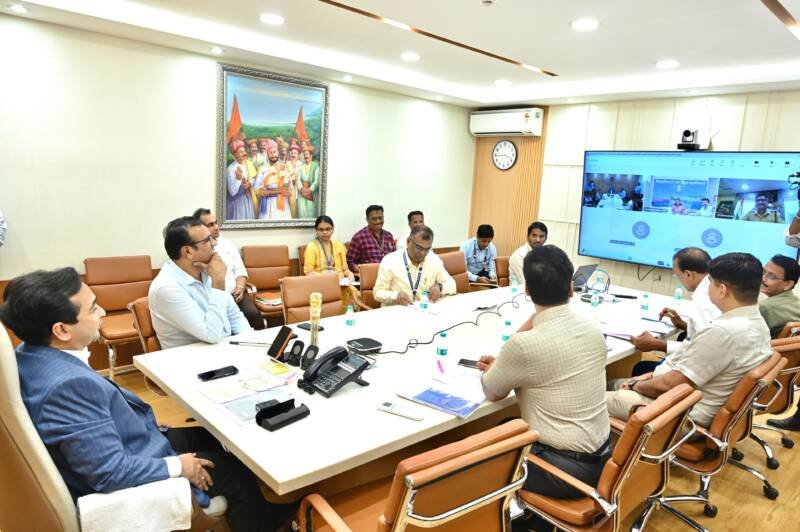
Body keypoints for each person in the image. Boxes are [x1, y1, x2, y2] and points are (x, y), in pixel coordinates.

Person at [0, 267, 283, 532]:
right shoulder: (68, 386)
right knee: (232, 470)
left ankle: (255, 506)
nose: (102, 312)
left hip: (132, 439)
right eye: (93, 308)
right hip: (133, 466)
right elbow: (109, 472)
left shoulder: (28, 354)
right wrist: (179, 466)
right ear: (62, 330)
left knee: (214, 437)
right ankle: (265, 523)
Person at [479, 245, 610, 502]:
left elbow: (491, 392)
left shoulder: (523, 346)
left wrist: (501, 362)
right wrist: (508, 360)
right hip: (603, 458)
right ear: (571, 288)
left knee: (479, 456)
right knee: (506, 426)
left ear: (527, 291)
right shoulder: (594, 330)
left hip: (563, 473)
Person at [606, 252, 772, 427]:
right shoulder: (758, 323)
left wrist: (634, 385)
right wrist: (649, 378)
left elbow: (668, 385)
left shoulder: (723, 332)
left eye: (710, 282)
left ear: (722, 290)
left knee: (592, 399)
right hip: (691, 403)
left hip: (680, 416)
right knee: (614, 383)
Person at [149, 216, 251, 350]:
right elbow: (211, 334)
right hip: (191, 358)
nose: (215, 243)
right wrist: (218, 283)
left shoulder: (206, 271)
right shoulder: (166, 287)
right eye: (208, 240)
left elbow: (235, 316)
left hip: (223, 349)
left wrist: (250, 343)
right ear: (188, 251)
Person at [628, 247, 721, 375]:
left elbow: (701, 349)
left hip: (696, 371)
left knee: (641, 368)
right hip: (706, 364)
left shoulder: (703, 300)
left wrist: (657, 344)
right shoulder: (713, 287)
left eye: (677, 275)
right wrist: (681, 324)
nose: (679, 279)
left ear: (688, 274)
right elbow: (706, 332)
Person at [193, 208, 264, 330]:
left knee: (253, 315)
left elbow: (240, 270)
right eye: (210, 225)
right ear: (200, 228)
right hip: (212, 298)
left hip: (235, 295)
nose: (216, 227)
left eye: (216, 223)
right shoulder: (198, 250)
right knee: (222, 326)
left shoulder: (227, 244)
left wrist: (240, 287)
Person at [373, 225, 455, 306]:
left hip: (425, 309)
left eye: (427, 249)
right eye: (418, 247)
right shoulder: (390, 260)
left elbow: (452, 285)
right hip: (399, 310)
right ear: (408, 241)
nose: (422, 253)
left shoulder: (433, 259)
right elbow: (377, 293)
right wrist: (395, 295)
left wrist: (439, 287)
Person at [304, 215, 358, 308]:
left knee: (355, 294)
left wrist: (350, 274)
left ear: (333, 229)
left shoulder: (339, 245)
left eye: (328, 229)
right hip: (321, 284)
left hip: (341, 284)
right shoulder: (311, 247)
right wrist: (329, 278)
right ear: (316, 230)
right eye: (321, 229)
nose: (325, 232)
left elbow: (345, 269)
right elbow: (309, 273)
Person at [346, 205, 396, 274]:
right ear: (367, 219)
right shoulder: (359, 237)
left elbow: (395, 258)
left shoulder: (389, 236)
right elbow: (350, 262)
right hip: (369, 276)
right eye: (374, 219)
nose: (378, 221)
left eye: (380, 218)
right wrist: (362, 270)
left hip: (389, 274)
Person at [759, 254, 800, 338]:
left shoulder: (765, 307)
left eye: (771, 276)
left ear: (788, 284)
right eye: (763, 272)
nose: (763, 278)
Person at [254, 139, 291, 220]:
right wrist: (276, 191)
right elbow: (258, 189)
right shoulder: (263, 169)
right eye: (270, 153)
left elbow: (286, 187)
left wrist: (269, 192)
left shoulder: (283, 167)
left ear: (277, 152)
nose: (273, 155)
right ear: (267, 154)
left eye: (274, 152)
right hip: (268, 205)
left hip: (282, 205)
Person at [509, 221, 547, 286]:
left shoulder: (545, 255)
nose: (538, 240)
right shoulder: (519, 256)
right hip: (520, 291)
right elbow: (524, 283)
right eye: (534, 236)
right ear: (528, 237)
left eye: (541, 236)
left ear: (545, 239)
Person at [226, 140, 255, 221]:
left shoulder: (247, 164)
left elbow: (253, 179)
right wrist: (238, 180)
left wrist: (249, 183)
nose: (244, 153)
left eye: (244, 151)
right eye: (241, 152)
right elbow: (232, 192)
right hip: (236, 203)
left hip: (247, 200)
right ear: (235, 154)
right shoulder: (231, 168)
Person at [296, 150, 320, 219]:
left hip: (312, 193)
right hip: (302, 193)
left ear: (311, 155)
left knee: (311, 212)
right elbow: (298, 179)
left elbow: (316, 181)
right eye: (304, 155)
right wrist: (301, 188)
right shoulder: (301, 167)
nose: (306, 156)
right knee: (302, 212)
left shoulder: (316, 166)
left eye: (307, 154)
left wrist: (309, 190)